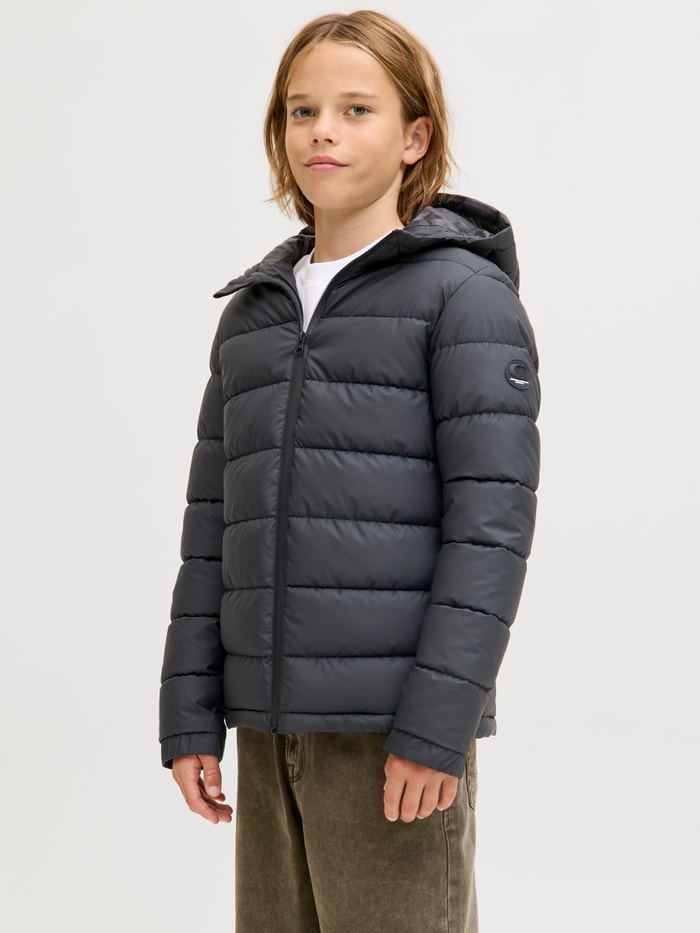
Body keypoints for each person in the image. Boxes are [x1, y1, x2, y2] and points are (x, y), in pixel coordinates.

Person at [158, 10, 541, 932]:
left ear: (416, 138)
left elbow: (490, 530)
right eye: (302, 111)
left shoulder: (464, 298)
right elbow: (211, 528)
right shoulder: (252, 317)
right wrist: (190, 713)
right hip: (265, 728)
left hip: (390, 737)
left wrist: (436, 725)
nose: (322, 130)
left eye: (356, 109)